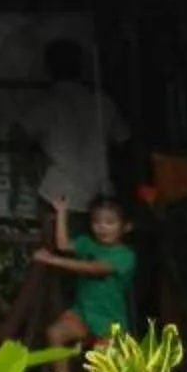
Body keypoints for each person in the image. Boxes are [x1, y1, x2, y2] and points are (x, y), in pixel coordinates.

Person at [31, 39, 127, 233]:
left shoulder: (47, 102)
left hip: (57, 193)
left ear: (49, 68)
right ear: (82, 67)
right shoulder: (102, 102)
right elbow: (123, 140)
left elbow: (17, 135)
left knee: (57, 254)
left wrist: (32, 171)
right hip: (99, 193)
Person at [34, 197, 138, 349]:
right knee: (55, 334)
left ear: (126, 226)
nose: (102, 228)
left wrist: (51, 260)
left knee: (101, 362)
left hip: (109, 320)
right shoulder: (87, 243)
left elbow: (94, 268)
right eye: (96, 222)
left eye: (110, 223)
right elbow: (63, 245)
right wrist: (62, 213)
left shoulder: (125, 255)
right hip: (82, 313)